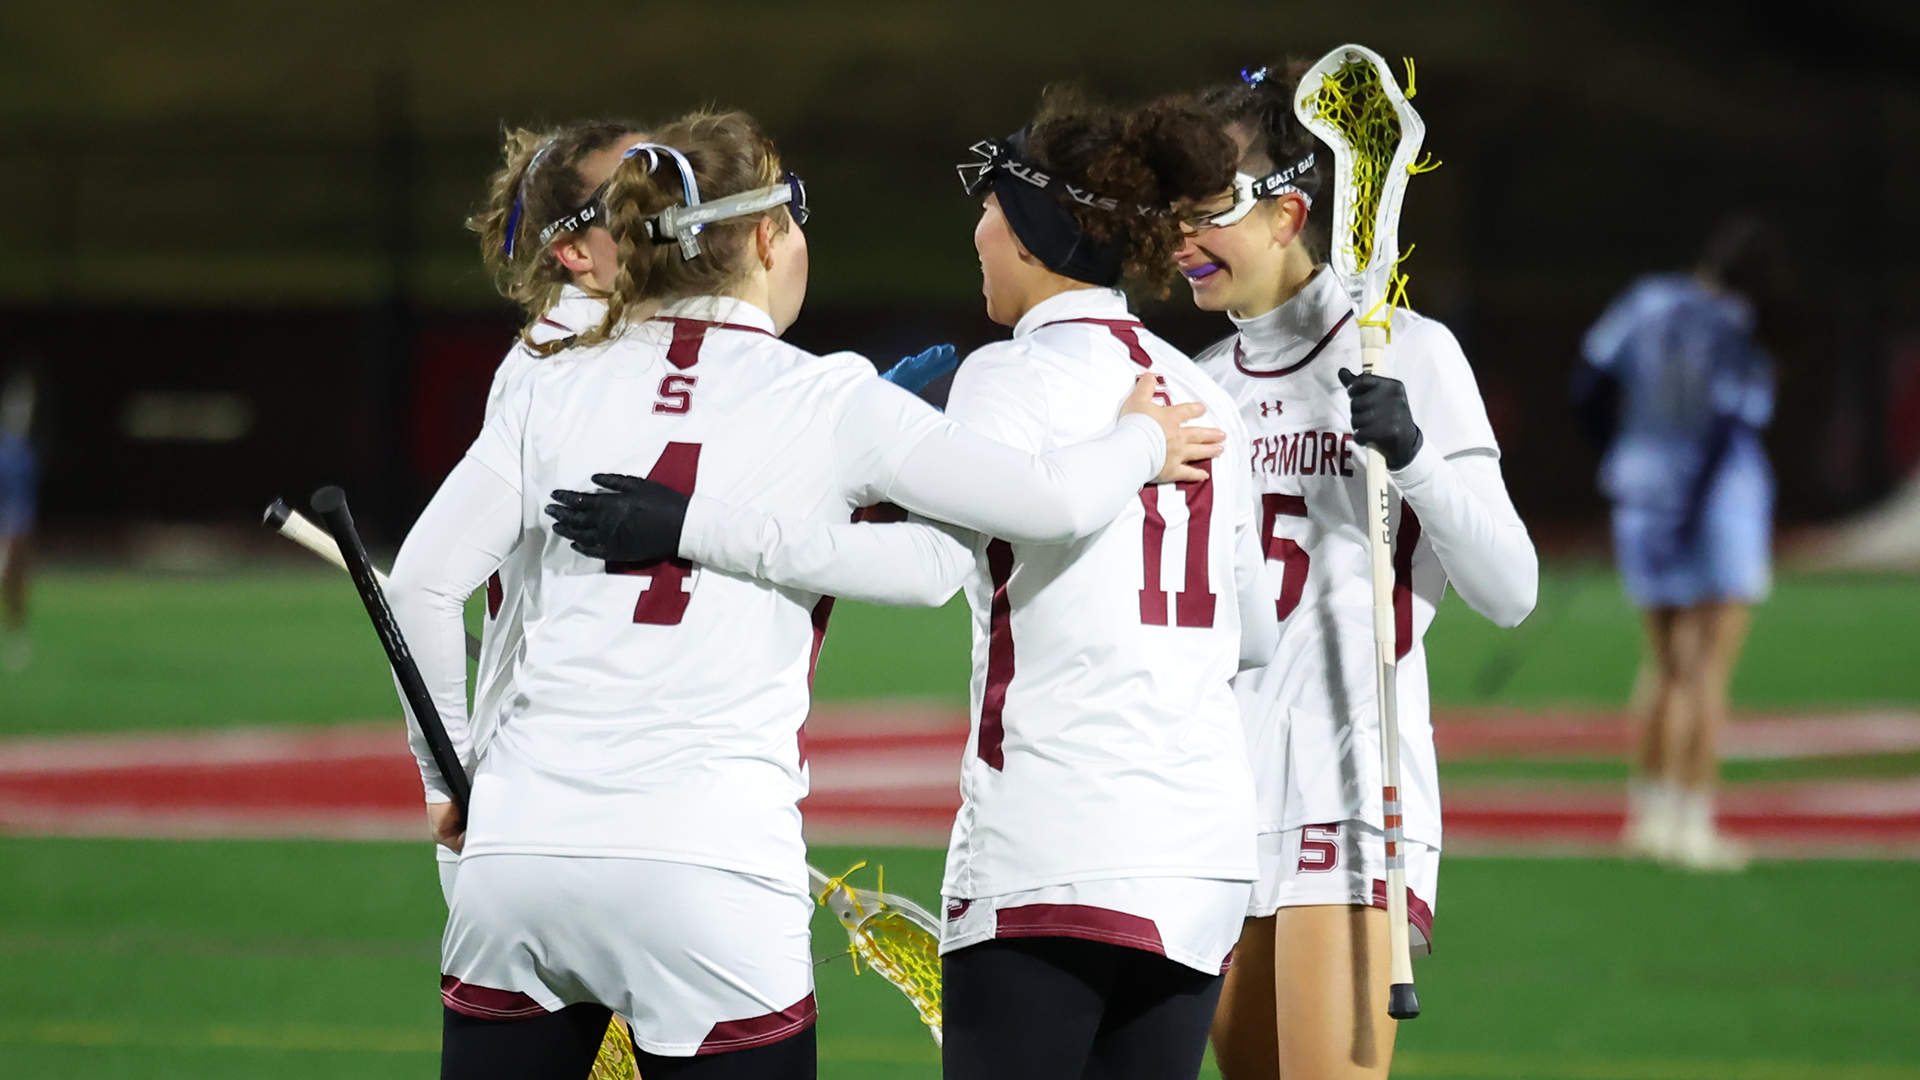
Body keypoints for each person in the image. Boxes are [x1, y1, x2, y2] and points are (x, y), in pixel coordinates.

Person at [388, 108, 1220, 1080]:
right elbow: (1038, 511)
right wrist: (1141, 441)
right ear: (766, 234)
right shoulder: (831, 398)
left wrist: (452, 777)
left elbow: (422, 585)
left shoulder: (547, 380)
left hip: (519, 857)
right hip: (711, 870)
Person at [1177, 67, 1537, 1080]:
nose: (1177, 243)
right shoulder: (1196, 387)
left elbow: (1512, 590)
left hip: (1344, 785)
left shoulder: (1407, 353)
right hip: (1216, 796)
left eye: (1202, 215)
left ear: (1289, 211)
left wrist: (1413, 453)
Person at [1573, 214, 1782, 873]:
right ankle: (1692, 821)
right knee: (1707, 670)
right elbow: (1729, 421)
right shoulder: (1736, 325)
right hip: (1715, 502)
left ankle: (1649, 813)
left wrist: (1625, 455)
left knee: (1664, 664)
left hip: (1644, 490)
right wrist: (1693, 500)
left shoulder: (1645, 301)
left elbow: (1588, 385)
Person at [0, 365, 37, 673]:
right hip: (5, 528)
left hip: (19, 528)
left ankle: (16, 634)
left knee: (15, 584)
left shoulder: (25, 451)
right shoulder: (4, 450)